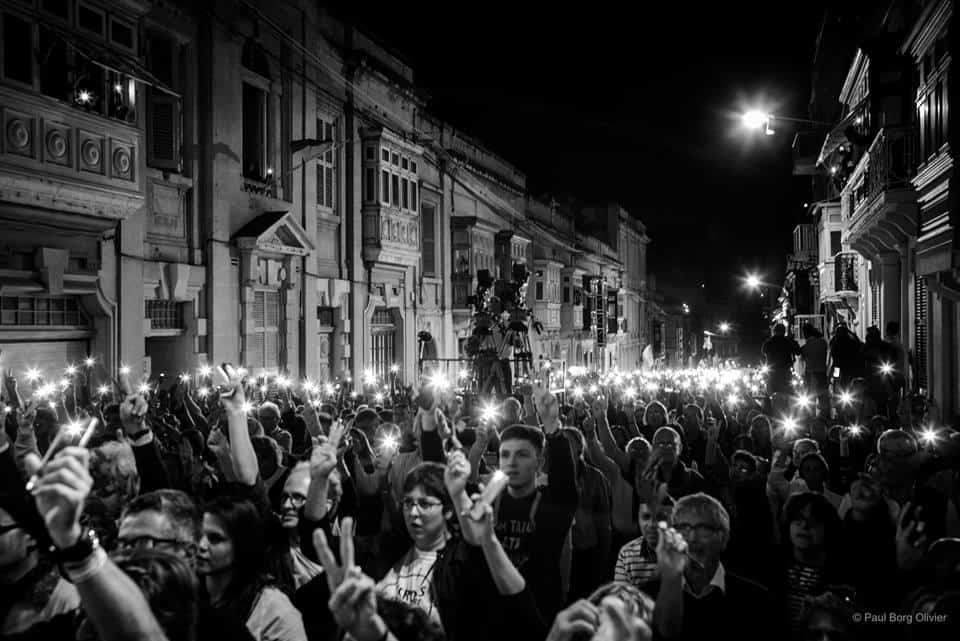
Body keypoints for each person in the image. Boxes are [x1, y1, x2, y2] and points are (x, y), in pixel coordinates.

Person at [494, 386, 578, 620]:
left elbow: (565, 485)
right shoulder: (489, 503)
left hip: (538, 613)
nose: (512, 462)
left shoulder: (550, 507)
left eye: (522, 455)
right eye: (505, 454)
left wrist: (552, 429)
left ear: (539, 462)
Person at [646, 493, 776, 640]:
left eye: (703, 529)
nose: (692, 538)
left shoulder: (757, 601)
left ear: (722, 537)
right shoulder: (647, 597)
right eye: (683, 528)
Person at [199, 494, 306, 641]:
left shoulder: (275, 610)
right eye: (198, 535)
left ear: (242, 545)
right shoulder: (186, 591)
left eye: (215, 539)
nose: (201, 545)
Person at [615, 495, 675, 588]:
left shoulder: (687, 553)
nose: (651, 524)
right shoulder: (627, 553)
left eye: (660, 517)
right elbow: (621, 598)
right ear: (638, 518)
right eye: (646, 517)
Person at [762, 324, 801, 396]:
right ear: (784, 332)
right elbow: (798, 352)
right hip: (785, 373)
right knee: (789, 395)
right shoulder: (788, 341)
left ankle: (768, 405)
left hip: (772, 373)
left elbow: (763, 352)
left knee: (769, 395)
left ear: (774, 331)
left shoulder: (769, 342)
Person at [800, 324, 829, 418]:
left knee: (810, 398)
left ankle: (810, 418)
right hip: (822, 372)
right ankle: (824, 417)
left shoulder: (806, 346)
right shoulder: (823, 342)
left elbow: (802, 355)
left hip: (810, 373)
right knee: (823, 397)